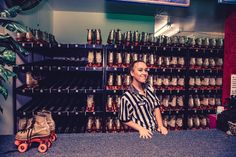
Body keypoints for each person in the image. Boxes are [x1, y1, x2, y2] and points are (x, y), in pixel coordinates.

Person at [119, 60, 168, 139]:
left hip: (154, 132)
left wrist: (161, 126)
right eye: (140, 70)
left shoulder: (149, 89)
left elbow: (156, 107)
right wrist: (140, 128)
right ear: (132, 73)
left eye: (146, 70)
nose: (144, 73)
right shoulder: (127, 97)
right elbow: (124, 119)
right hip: (140, 135)